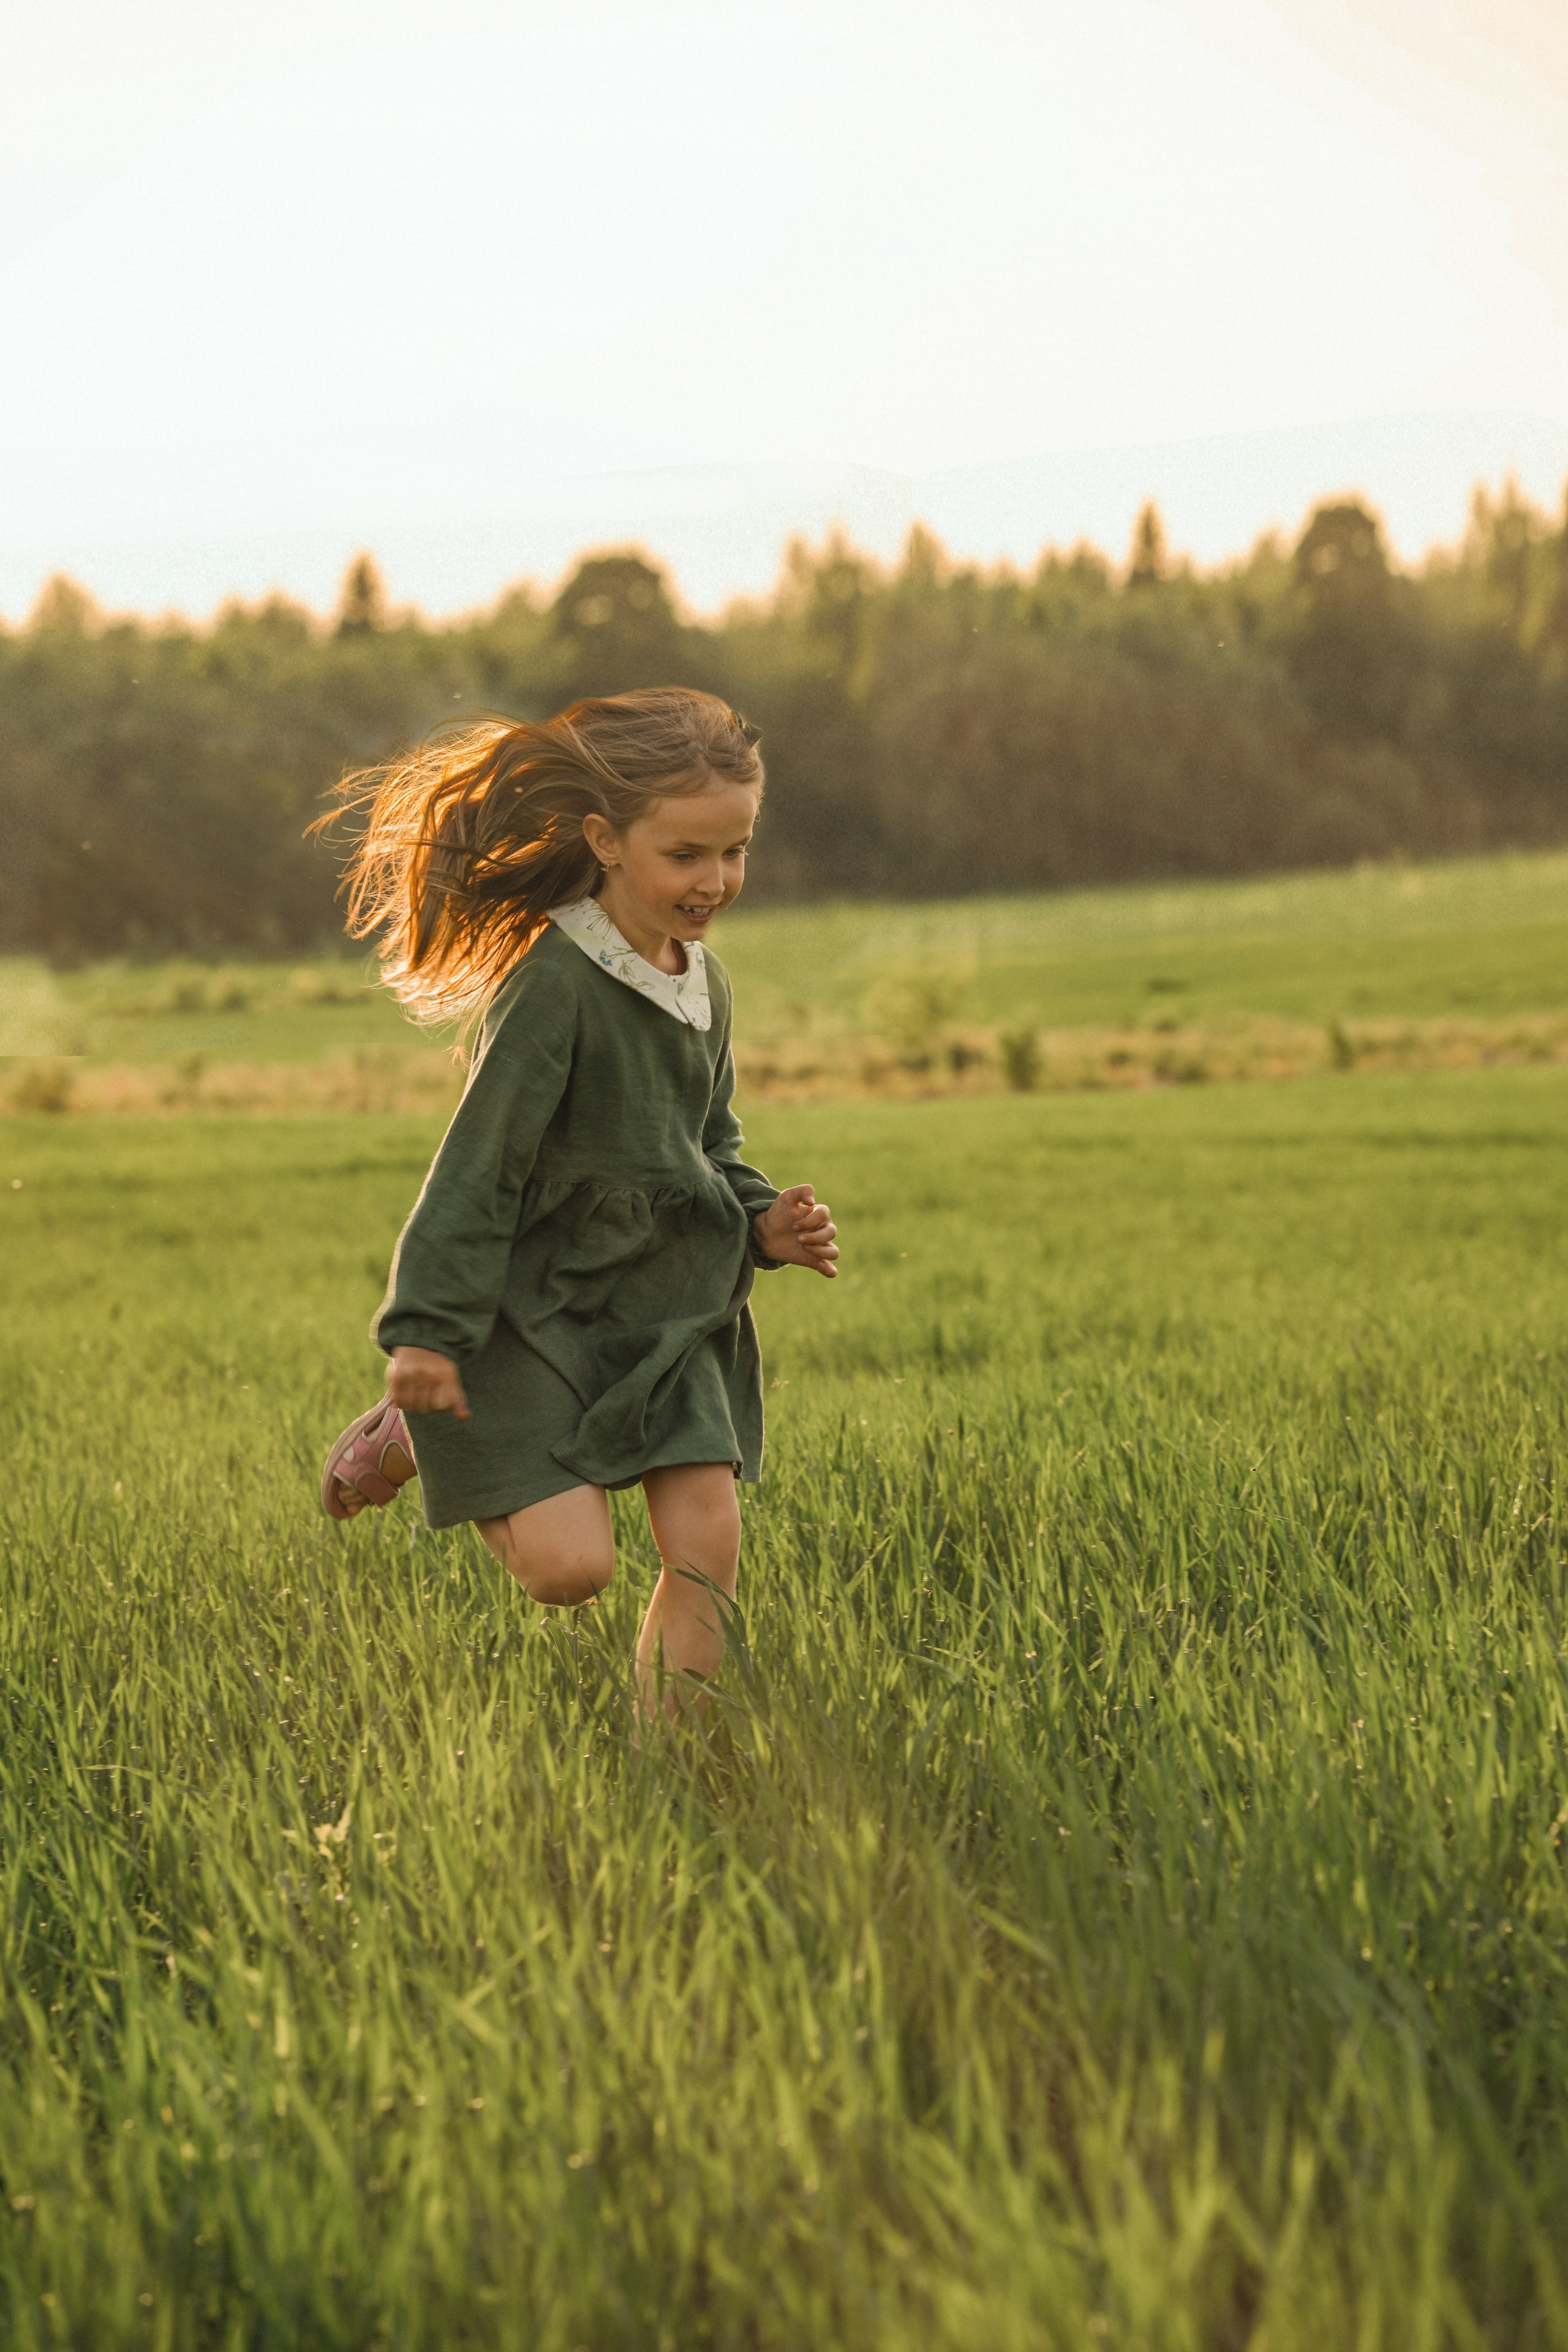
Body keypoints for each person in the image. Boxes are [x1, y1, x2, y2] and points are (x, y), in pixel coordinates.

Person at [317, 688, 837, 1718]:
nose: (716, 881)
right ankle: (426, 1430)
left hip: (676, 1309)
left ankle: (672, 1762)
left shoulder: (707, 983)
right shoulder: (556, 983)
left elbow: (708, 1139)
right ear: (605, 838)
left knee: (708, 1549)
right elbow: (481, 1162)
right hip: (541, 1311)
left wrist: (762, 1222)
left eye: (735, 852)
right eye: (685, 854)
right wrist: (426, 1332)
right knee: (570, 1573)